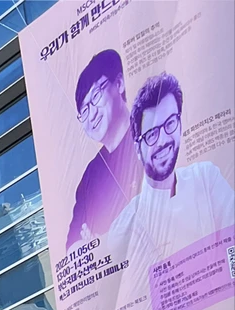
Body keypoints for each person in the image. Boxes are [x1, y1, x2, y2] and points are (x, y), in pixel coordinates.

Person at [111, 72, 235, 271]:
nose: (163, 141)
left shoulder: (206, 178)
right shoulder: (124, 228)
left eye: (170, 124)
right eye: (151, 133)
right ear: (137, 148)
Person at [65, 49, 143, 250]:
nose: (91, 115)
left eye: (96, 96)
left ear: (119, 84)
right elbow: (73, 251)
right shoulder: (90, 177)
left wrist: (102, 243)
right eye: (84, 110)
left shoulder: (151, 132)